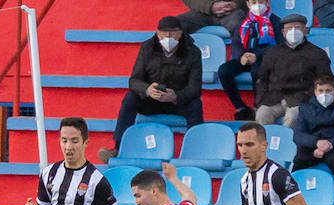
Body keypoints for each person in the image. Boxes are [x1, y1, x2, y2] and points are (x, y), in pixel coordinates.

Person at [100, 16, 203, 163]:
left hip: (177, 100)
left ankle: (195, 150)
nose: (168, 37)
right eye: (164, 33)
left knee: (195, 104)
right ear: (157, 33)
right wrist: (147, 90)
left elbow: (195, 88)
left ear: (180, 33)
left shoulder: (193, 51)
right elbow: (134, 81)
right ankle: (117, 147)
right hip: (152, 100)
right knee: (130, 98)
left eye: (173, 33)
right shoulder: (147, 48)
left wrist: (176, 96)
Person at [254, 15, 333, 127]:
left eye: (297, 27)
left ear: (305, 31)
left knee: (293, 116)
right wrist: (260, 101)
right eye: (290, 28)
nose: (293, 31)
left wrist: (309, 98)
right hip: (274, 98)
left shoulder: (317, 54)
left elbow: (325, 80)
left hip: (301, 99)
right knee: (262, 114)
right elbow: (262, 79)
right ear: (283, 32)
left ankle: (288, 144)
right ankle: (266, 144)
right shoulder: (272, 53)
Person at [220, 0, 283, 120]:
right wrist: (241, 56)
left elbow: (279, 46)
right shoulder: (244, 22)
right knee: (224, 71)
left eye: (261, 2)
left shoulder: (276, 21)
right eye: (254, 2)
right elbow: (236, 43)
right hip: (246, 57)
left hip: (267, 59)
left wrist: (257, 55)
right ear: (248, 4)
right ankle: (240, 107)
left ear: (267, 3)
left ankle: (257, 106)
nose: (258, 5)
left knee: (257, 70)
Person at [292, 74, 334, 184]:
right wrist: (316, 143)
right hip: (312, 147)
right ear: (315, 92)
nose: (324, 94)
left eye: (328, 90)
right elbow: (298, 135)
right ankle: (287, 195)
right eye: (320, 90)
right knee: (299, 160)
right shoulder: (305, 108)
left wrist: (329, 144)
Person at [177, 0, 247, 35]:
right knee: (175, 24)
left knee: (241, 24)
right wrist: (210, 6)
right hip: (203, 11)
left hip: (233, 12)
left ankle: (241, 58)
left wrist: (235, 4)